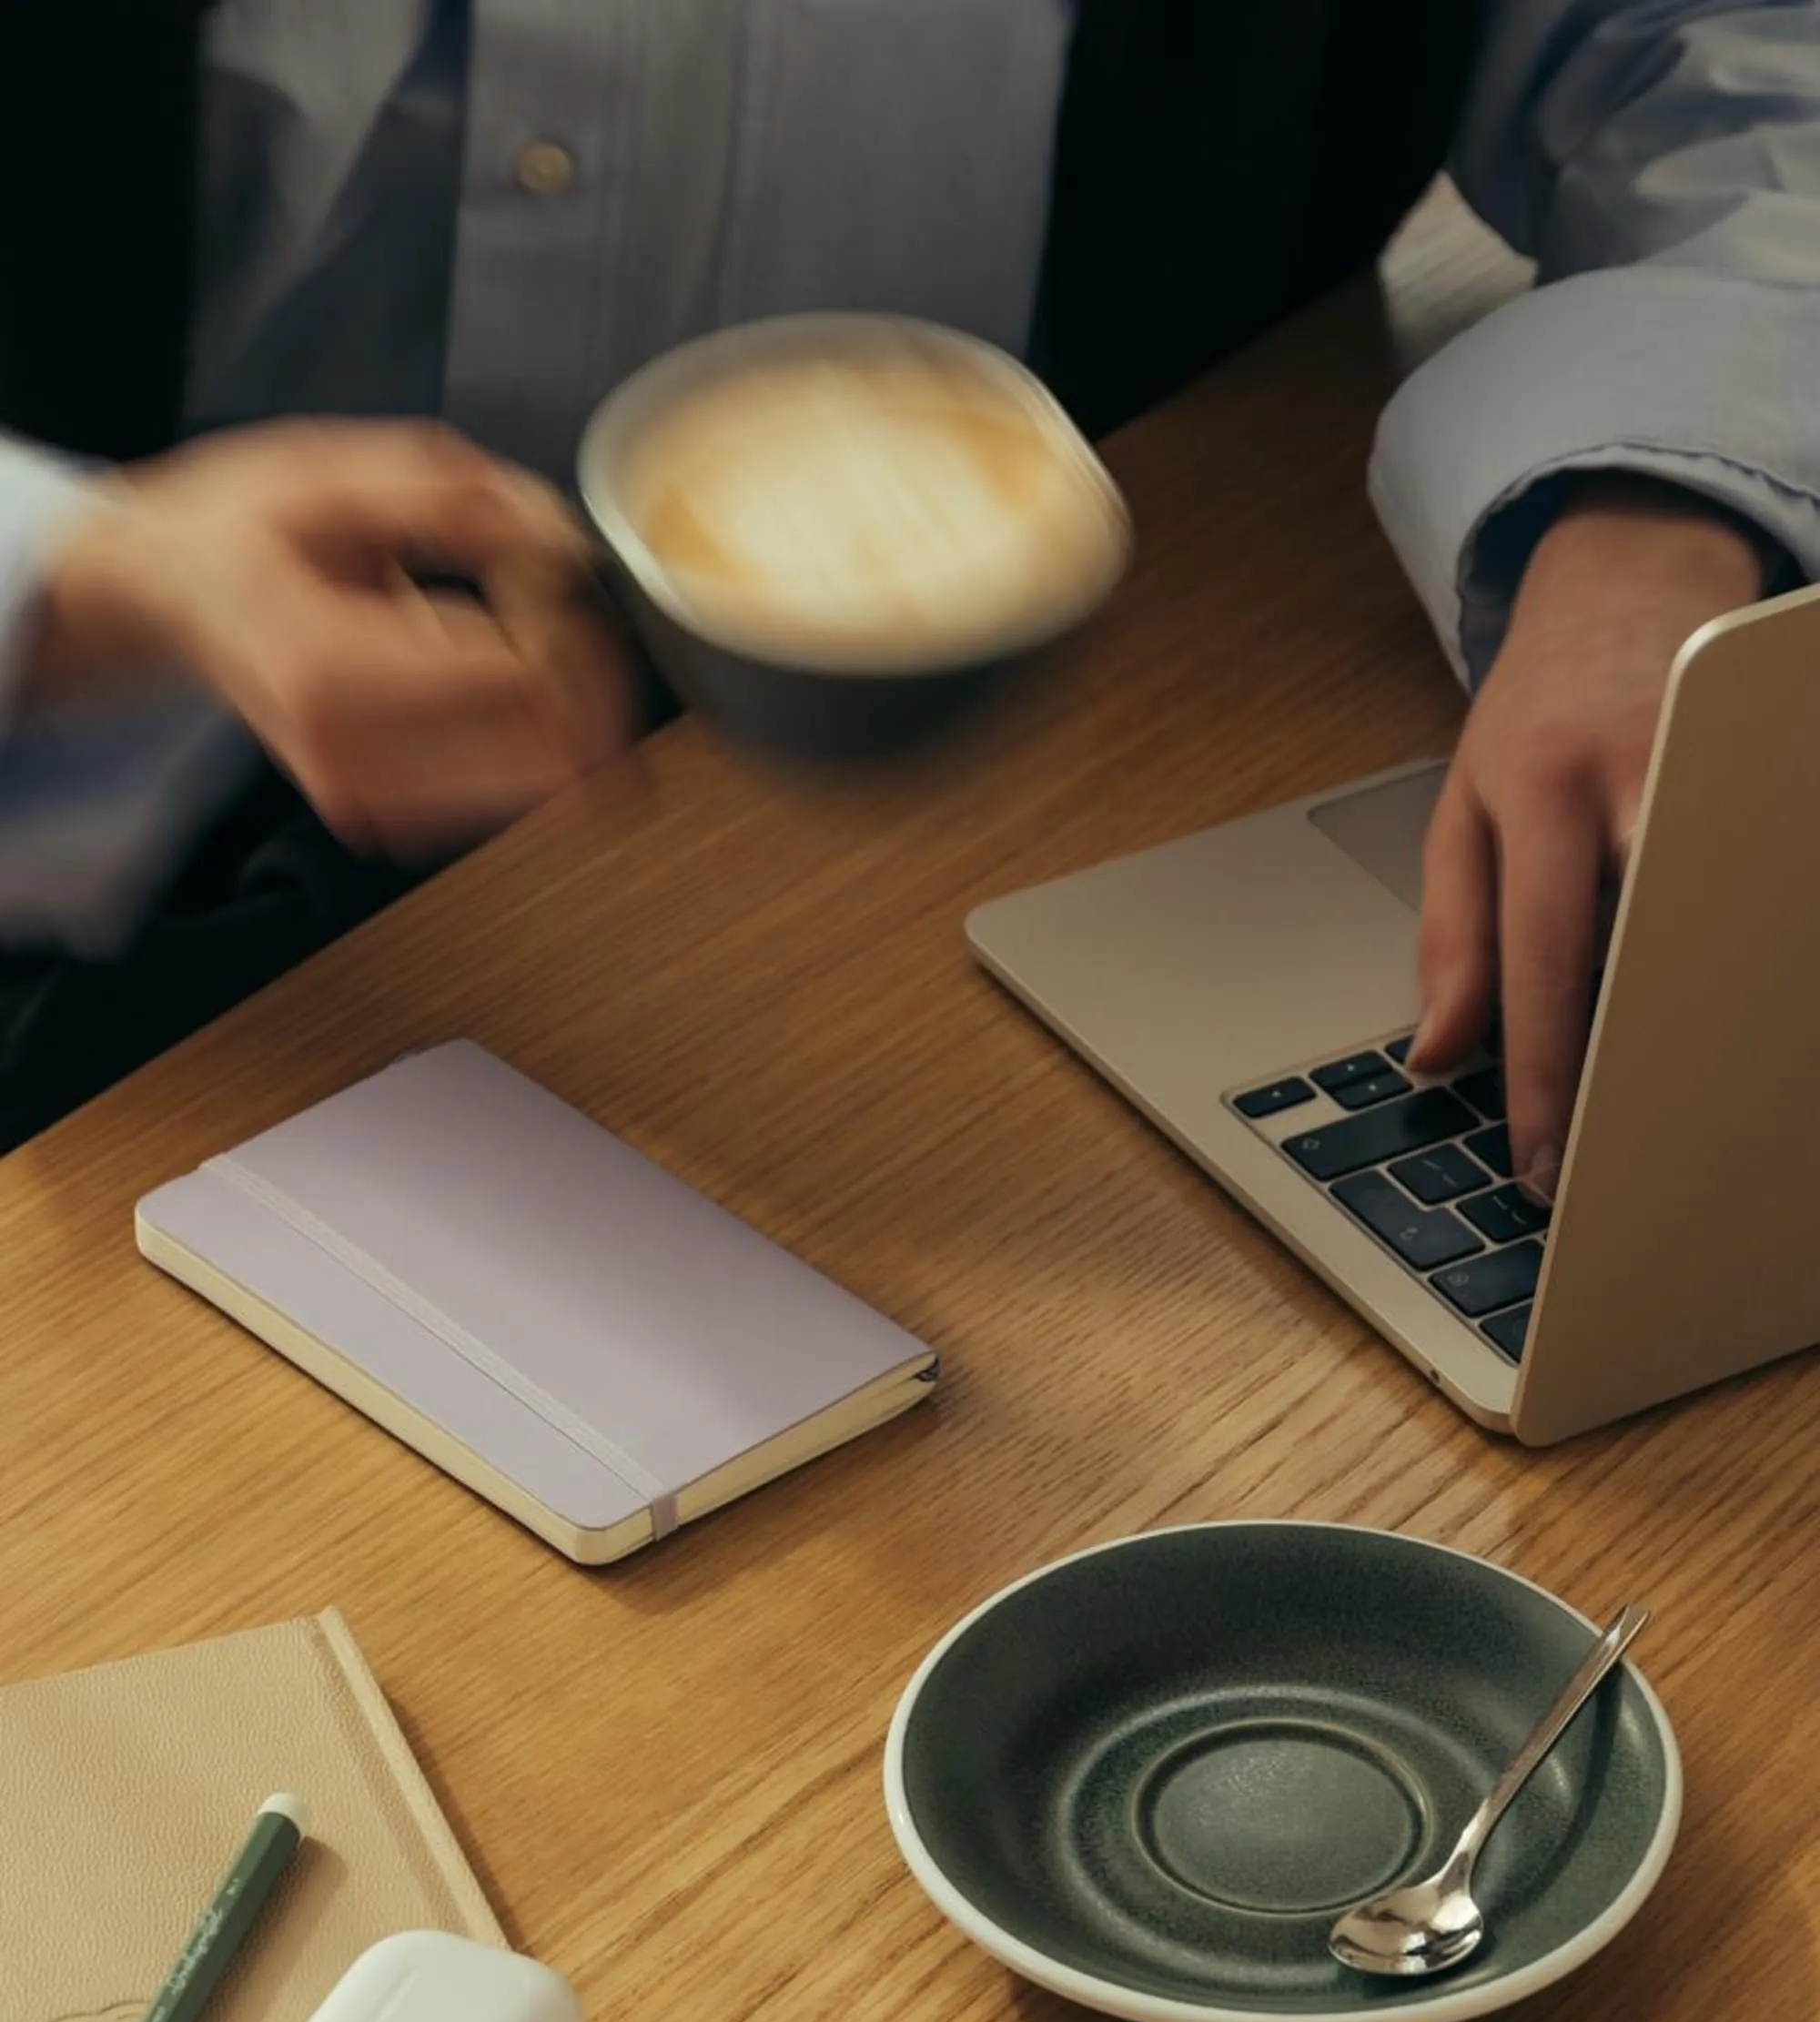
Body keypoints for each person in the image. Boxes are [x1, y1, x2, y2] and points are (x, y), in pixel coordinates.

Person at [0, 2, 1814, 1183]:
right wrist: (89, 569)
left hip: (1064, 832)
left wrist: (1651, 510)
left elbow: (1726, 45)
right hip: (111, 917)